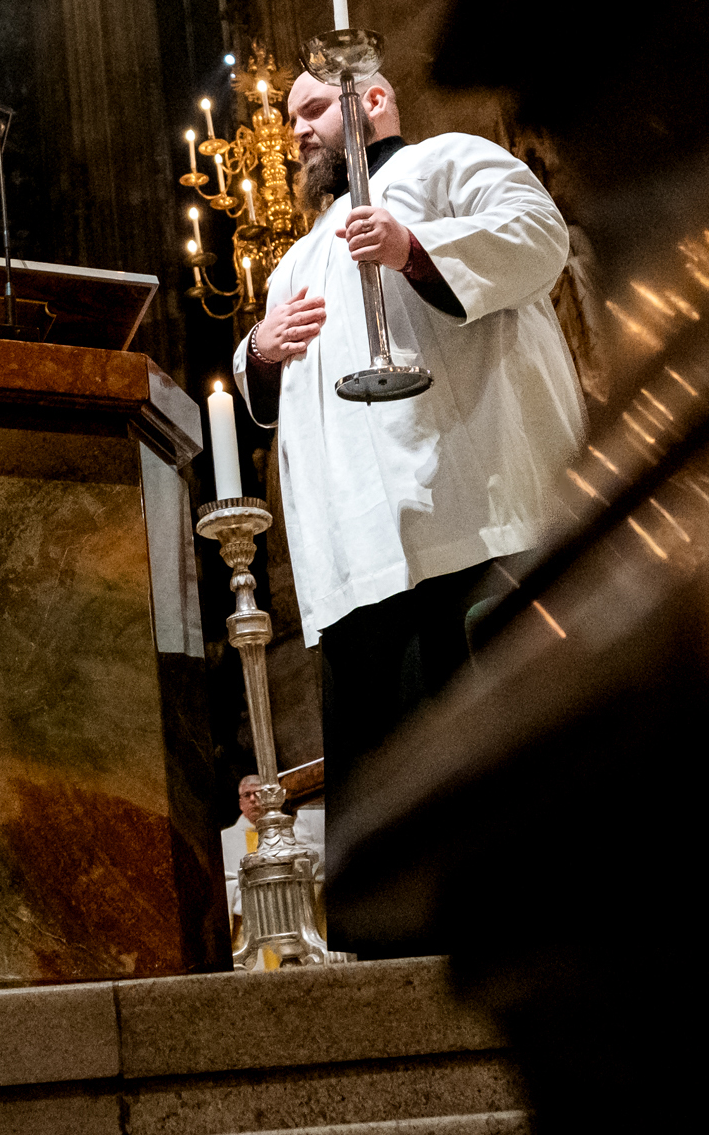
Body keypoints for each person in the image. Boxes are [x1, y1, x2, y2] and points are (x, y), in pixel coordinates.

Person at [233, 71, 585, 869]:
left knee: (502, 810)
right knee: (389, 842)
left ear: (374, 99)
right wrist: (259, 349)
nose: (296, 132)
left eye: (313, 109)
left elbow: (539, 234)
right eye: (289, 119)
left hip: (473, 524)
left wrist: (412, 248)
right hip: (356, 570)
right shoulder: (294, 261)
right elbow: (269, 390)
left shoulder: (446, 161)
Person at [219, 773, 328, 924]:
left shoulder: (290, 830)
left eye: (258, 793)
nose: (253, 799)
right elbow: (224, 883)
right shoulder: (224, 838)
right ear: (240, 804)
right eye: (247, 795)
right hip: (246, 917)